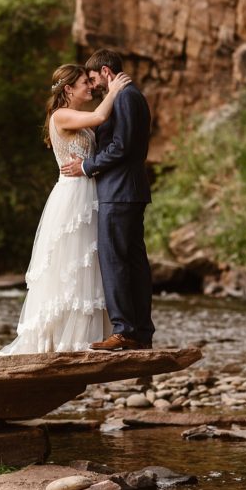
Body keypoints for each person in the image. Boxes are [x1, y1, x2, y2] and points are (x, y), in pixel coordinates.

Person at [0, 62, 131, 354]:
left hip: (88, 191)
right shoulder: (61, 115)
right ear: (69, 89)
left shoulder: (75, 116)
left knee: (88, 260)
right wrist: (115, 89)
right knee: (72, 261)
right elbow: (99, 116)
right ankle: (63, 339)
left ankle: (91, 334)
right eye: (85, 82)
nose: (90, 87)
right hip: (73, 195)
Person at [61, 49, 155, 350]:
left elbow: (122, 145)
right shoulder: (132, 95)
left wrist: (87, 166)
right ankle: (141, 332)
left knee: (114, 260)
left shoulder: (125, 96)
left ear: (105, 71)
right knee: (134, 262)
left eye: (92, 78)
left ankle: (124, 330)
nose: (92, 85)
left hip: (119, 191)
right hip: (129, 190)